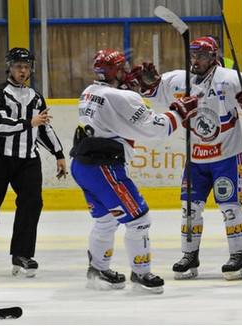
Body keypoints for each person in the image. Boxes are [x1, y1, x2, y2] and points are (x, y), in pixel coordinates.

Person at [130, 36, 242, 281]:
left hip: (226, 157)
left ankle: (238, 256)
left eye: (201, 55)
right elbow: (155, 92)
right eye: (193, 55)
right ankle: (190, 256)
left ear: (214, 57)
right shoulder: (179, 79)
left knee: (230, 209)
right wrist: (148, 83)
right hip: (195, 160)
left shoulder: (229, 77)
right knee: (189, 210)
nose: (195, 60)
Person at [70, 49, 195, 293]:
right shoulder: (121, 98)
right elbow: (154, 129)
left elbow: (121, 113)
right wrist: (179, 112)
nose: (128, 71)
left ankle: (98, 270)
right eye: (123, 68)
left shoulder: (89, 91)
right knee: (139, 220)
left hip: (84, 165)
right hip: (105, 168)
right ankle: (141, 274)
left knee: (105, 221)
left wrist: (138, 90)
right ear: (114, 72)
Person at [0, 47, 67, 277]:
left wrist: (59, 154)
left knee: (32, 204)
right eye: (17, 66)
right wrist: (29, 122)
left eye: (26, 67)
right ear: (9, 68)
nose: (22, 71)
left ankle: (22, 254)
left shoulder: (36, 96)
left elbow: (44, 127)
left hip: (28, 161)